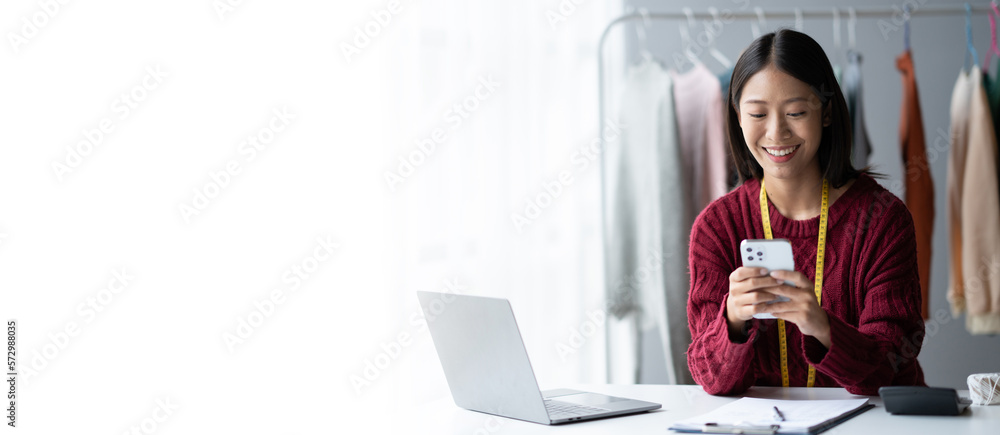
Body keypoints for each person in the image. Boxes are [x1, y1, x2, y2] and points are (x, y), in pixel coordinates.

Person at [686, 29, 926, 396]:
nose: (776, 132)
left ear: (826, 113)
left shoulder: (883, 220)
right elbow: (712, 379)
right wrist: (733, 319)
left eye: (796, 112)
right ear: (737, 118)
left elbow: (891, 365)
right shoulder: (716, 228)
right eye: (757, 113)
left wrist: (822, 327)